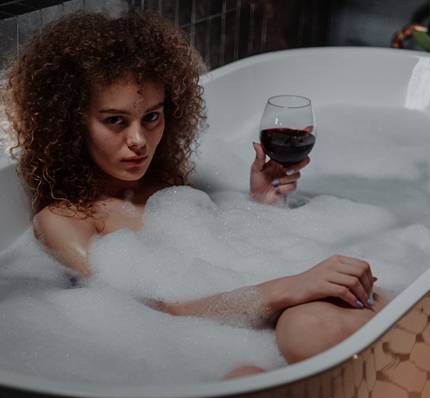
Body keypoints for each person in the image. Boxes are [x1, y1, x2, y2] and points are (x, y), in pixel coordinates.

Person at [1, 9, 382, 377]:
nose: (139, 141)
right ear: (71, 123)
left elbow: (234, 253)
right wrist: (287, 288)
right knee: (302, 334)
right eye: (115, 121)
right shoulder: (65, 220)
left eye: (152, 116)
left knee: (326, 313)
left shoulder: (169, 187)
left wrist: (265, 205)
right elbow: (153, 308)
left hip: (252, 315)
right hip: (185, 345)